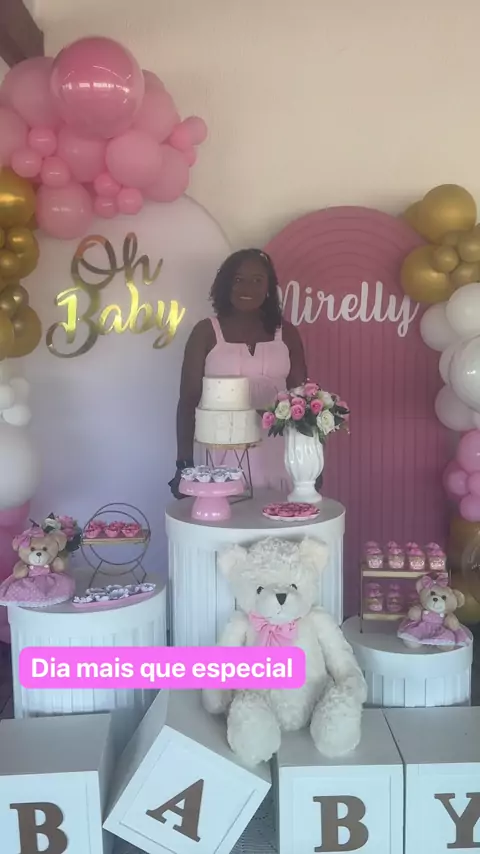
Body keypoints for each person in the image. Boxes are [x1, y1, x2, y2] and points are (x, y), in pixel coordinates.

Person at [169, 248, 308, 498]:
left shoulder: (287, 333)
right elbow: (188, 401)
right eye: (238, 279)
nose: (248, 288)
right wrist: (183, 464)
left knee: (280, 516)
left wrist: (310, 462)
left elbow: (303, 401)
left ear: (269, 287)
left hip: (280, 452)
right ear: (225, 284)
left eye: (257, 280)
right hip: (222, 453)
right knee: (225, 514)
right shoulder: (205, 332)